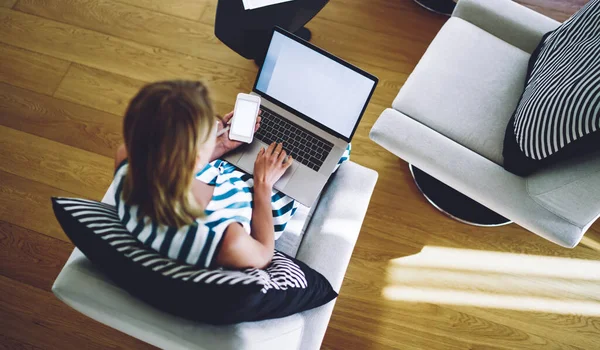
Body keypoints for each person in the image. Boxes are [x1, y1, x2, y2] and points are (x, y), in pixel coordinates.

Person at [112, 80, 294, 270]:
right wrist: (263, 184)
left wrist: (219, 145)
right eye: (212, 127)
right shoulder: (224, 238)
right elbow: (263, 254)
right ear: (196, 158)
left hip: (212, 175)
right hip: (259, 201)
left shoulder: (127, 162)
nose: (219, 126)